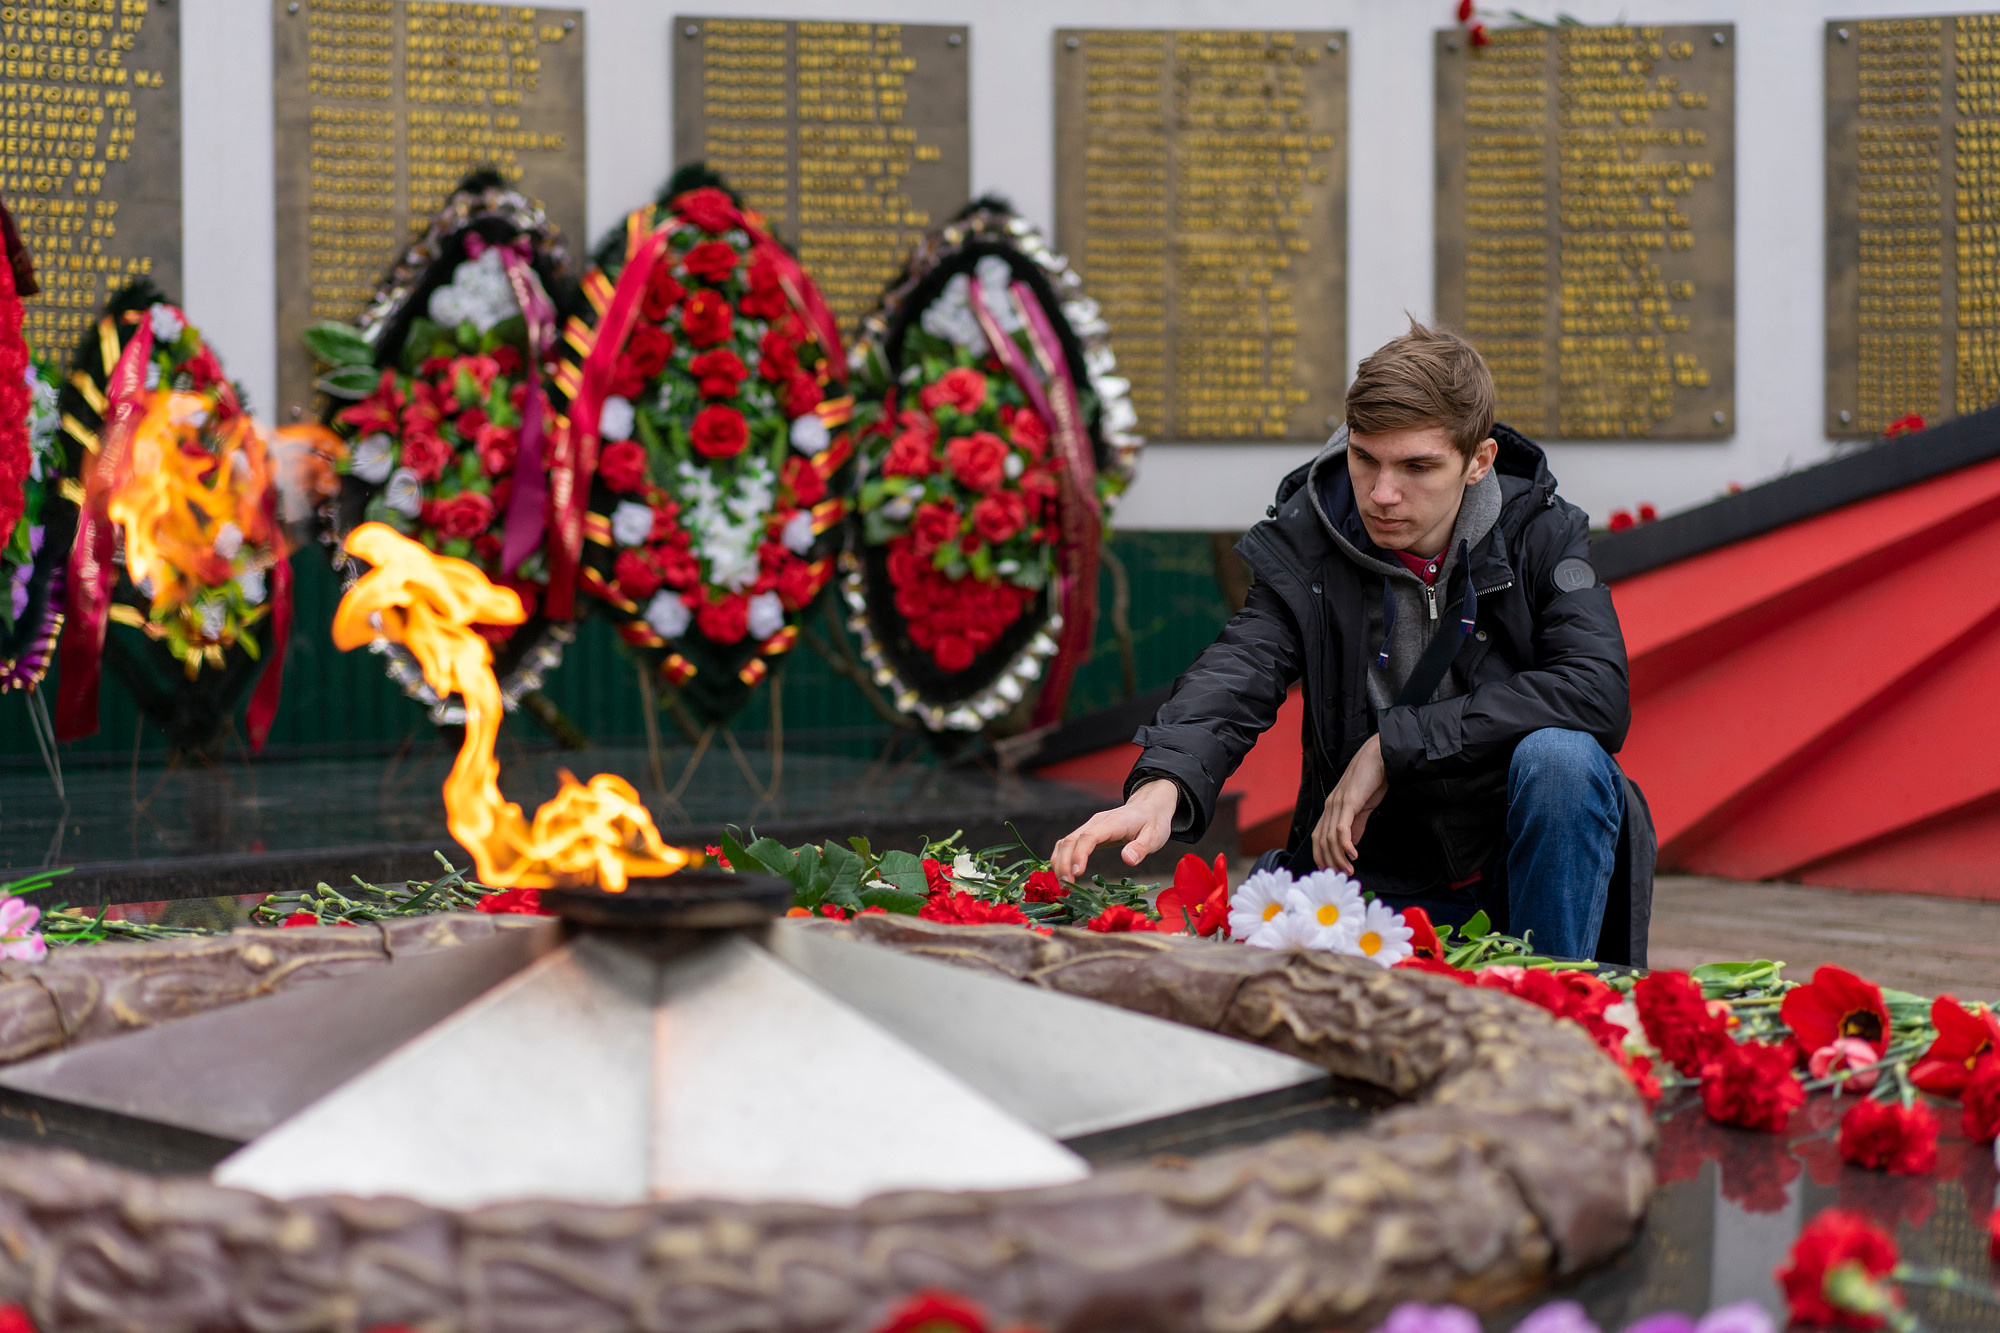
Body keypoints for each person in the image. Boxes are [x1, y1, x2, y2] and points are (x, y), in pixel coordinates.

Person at [1050, 320, 1652, 961]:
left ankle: (1555, 1002)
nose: (1382, 494)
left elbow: (1597, 692)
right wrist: (1163, 784)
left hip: (1518, 875)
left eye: (1418, 466)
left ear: (1478, 462)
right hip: (1367, 877)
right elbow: (1242, 665)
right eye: (1366, 459)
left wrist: (1393, 747)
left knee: (1563, 759)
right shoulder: (1308, 540)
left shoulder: (1542, 534)